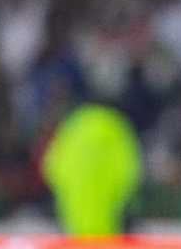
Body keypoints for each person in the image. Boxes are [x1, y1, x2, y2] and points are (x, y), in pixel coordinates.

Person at [42, 102, 142, 237]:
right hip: (111, 232)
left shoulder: (72, 130)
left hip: (73, 230)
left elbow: (50, 168)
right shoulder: (117, 130)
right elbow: (131, 172)